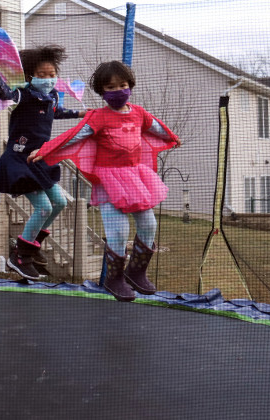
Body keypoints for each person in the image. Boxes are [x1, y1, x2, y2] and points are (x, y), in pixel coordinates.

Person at [28, 61, 181, 301]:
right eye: (111, 87)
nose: (118, 90)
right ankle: (114, 278)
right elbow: (74, 135)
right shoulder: (99, 117)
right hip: (108, 180)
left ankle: (136, 272)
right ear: (102, 92)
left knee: (149, 225)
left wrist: (172, 136)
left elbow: (156, 127)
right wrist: (45, 150)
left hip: (136, 178)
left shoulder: (139, 113)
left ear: (130, 86)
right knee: (118, 231)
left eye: (123, 85)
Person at [0, 45, 87, 281]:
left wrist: (80, 114)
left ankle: (33, 245)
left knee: (58, 202)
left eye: (52, 75)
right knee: (44, 207)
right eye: (42, 75)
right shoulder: (24, 93)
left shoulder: (52, 96)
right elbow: (5, 94)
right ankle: (19, 256)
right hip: (19, 160)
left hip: (40, 159)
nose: (48, 80)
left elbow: (56, 112)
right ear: (30, 77)